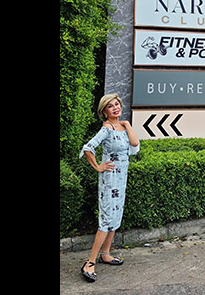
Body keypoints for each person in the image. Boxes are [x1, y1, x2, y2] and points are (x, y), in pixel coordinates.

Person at [78, 93, 140, 282]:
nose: (115, 108)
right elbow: (88, 148)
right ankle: (89, 263)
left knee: (115, 216)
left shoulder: (122, 126)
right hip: (109, 180)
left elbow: (135, 143)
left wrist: (127, 124)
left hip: (121, 179)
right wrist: (98, 166)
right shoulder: (106, 129)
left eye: (117, 104)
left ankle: (106, 254)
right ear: (104, 111)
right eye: (110, 106)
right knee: (106, 220)